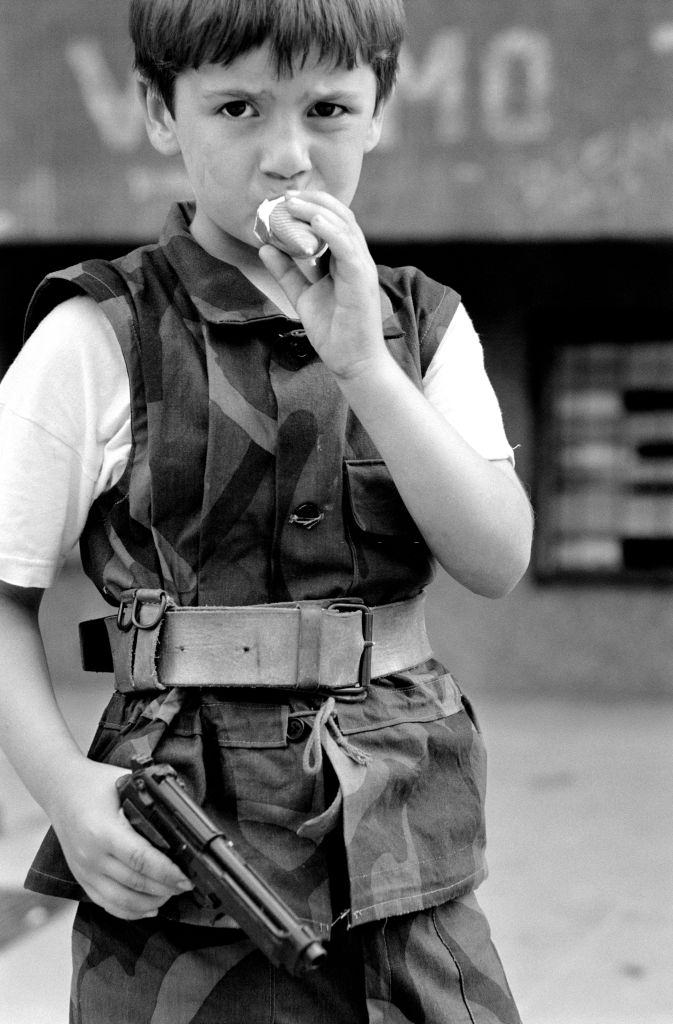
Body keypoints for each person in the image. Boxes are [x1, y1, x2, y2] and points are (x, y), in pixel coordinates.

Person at [0, 0, 533, 1020]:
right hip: (189, 876)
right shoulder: (98, 332)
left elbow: (497, 556)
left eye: (328, 108)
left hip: (408, 861)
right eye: (237, 107)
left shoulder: (424, 326)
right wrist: (65, 794)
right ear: (160, 113)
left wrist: (366, 366)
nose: (288, 156)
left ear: (381, 109)